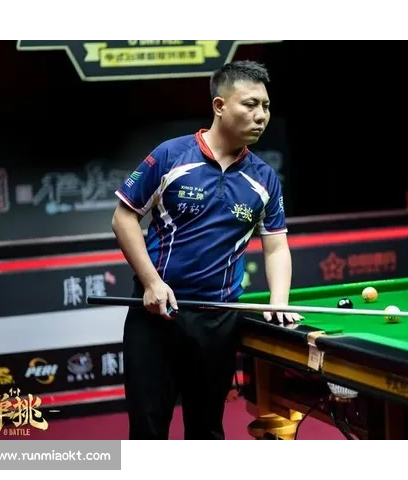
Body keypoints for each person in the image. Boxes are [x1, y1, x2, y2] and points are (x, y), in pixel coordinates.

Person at [111, 60, 302, 440]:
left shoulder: (264, 178)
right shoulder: (171, 155)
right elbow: (123, 218)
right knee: (147, 431)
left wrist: (279, 300)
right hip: (156, 315)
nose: (261, 116)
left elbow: (276, 246)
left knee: (206, 432)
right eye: (250, 104)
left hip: (218, 321)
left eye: (266, 106)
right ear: (219, 106)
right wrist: (151, 282)